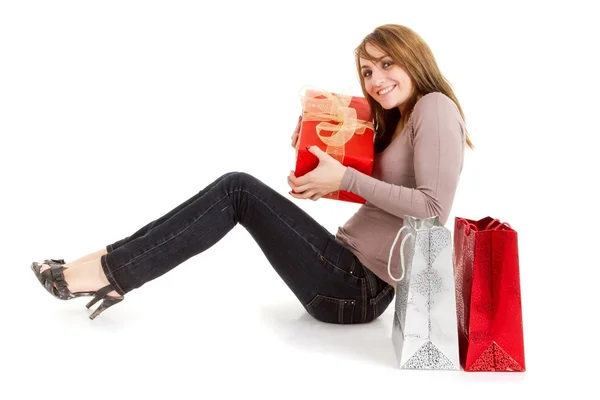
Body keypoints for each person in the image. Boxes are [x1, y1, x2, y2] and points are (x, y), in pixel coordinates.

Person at [31, 24, 473, 322]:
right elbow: (382, 195)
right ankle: (98, 265)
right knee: (233, 189)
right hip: (346, 271)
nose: (377, 79)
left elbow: (433, 210)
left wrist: (346, 179)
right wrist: (317, 166)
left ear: (413, 58)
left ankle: (112, 273)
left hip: (358, 287)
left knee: (237, 189)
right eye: (368, 71)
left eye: (387, 64)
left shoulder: (435, 108)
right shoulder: (403, 119)